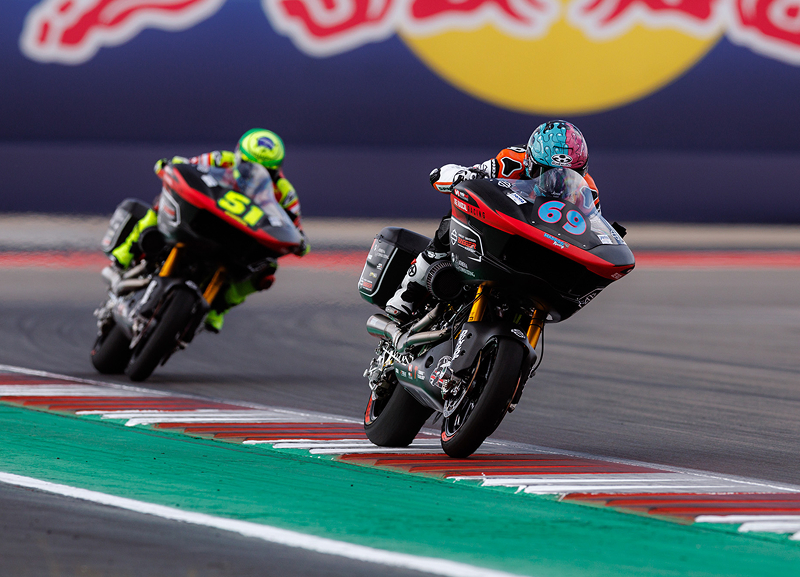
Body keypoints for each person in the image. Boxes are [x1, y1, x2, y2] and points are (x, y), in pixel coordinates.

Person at [385, 120, 598, 322]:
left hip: (539, 250)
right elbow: (452, 175)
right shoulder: (511, 161)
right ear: (530, 162)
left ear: (583, 171)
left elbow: (590, 232)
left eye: (569, 175)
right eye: (546, 172)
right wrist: (461, 175)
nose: (556, 183)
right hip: (502, 233)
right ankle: (408, 291)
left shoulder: (588, 193)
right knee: (455, 215)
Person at [110, 128, 309, 332]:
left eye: (267, 171)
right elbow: (187, 166)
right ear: (239, 156)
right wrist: (171, 166)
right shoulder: (221, 159)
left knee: (268, 269)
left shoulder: (285, 194)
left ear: (277, 171)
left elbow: (294, 228)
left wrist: (300, 242)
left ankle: (219, 308)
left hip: (240, 237)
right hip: (206, 219)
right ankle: (125, 252)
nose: (255, 174)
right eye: (249, 165)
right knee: (162, 202)